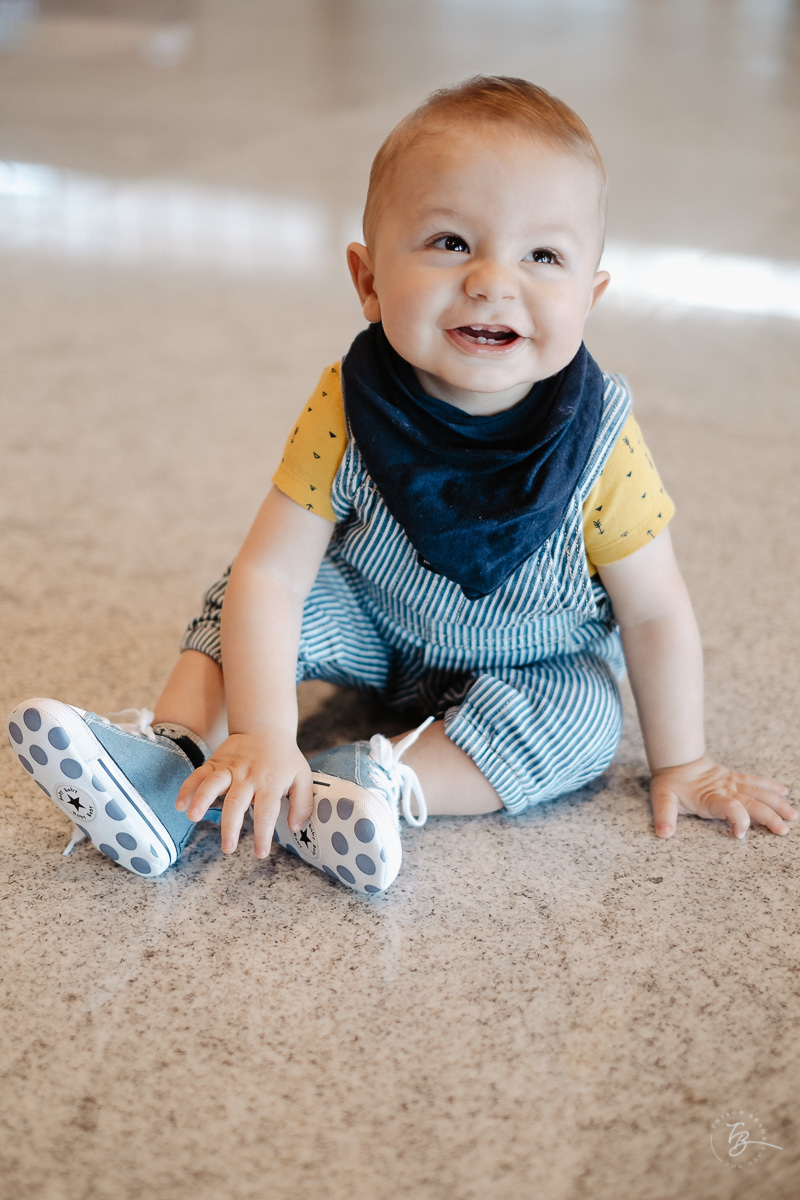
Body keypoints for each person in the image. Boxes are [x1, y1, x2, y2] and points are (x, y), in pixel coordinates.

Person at [8, 76, 795, 895]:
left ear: (589, 297)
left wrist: (687, 762)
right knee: (241, 602)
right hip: (376, 621)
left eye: (544, 256)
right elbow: (273, 573)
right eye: (452, 242)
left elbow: (656, 608)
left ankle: (373, 784)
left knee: (585, 722)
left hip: (531, 658)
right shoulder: (350, 403)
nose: (494, 280)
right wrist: (265, 729)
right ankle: (170, 765)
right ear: (369, 280)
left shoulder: (599, 439)